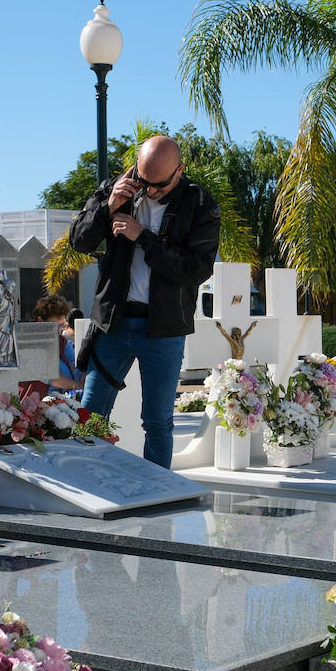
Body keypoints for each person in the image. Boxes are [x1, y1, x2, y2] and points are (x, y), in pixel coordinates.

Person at [69, 134, 221, 467]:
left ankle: (157, 491)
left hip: (164, 328)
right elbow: (79, 241)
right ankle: (86, 483)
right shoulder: (117, 188)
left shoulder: (199, 204)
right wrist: (107, 206)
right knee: (90, 414)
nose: (147, 189)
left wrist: (144, 238)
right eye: (142, 179)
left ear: (179, 171)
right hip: (113, 322)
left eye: (157, 185)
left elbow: (197, 269)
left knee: (157, 421)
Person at [31, 294, 84, 395]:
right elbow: (48, 376)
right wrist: (77, 385)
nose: (59, 331)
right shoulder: (30, 344)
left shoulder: (62, 342)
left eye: (62, 326)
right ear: (40, 320)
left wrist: (84, 377)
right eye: (55, 326)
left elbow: (75, 366)